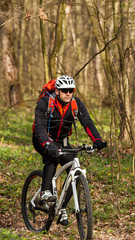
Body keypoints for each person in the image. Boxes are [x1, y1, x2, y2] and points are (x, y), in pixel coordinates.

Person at [32, 75, 106, 226]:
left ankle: (62, 208)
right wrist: (47, 143)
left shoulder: (76, 104)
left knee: (75, 169)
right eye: (65, 90)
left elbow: (87, 122)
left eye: (71, 90)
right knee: (53, 156)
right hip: (42, 139)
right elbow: (39, 125)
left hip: (62, 140)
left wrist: (97, 140)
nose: (68, 93)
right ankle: (45, 191)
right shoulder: (45, 102)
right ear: (57, 91)